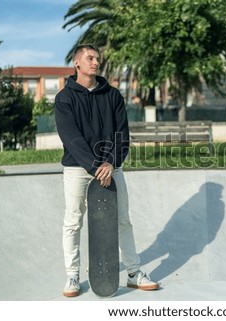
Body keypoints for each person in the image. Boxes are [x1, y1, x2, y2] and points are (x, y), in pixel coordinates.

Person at [55, 44, 158, 297]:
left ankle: (133, 273)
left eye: (97, 58)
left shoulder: (112, 95)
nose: (96, 62)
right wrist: (93, 165)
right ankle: (72, 275)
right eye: (90, 58)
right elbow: (71, 137)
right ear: (77, 63)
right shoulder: (65, 98)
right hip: (77, 169)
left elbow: (122, 134)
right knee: (73, 221)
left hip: (111, 169)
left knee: (123, 220)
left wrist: (111, 163)